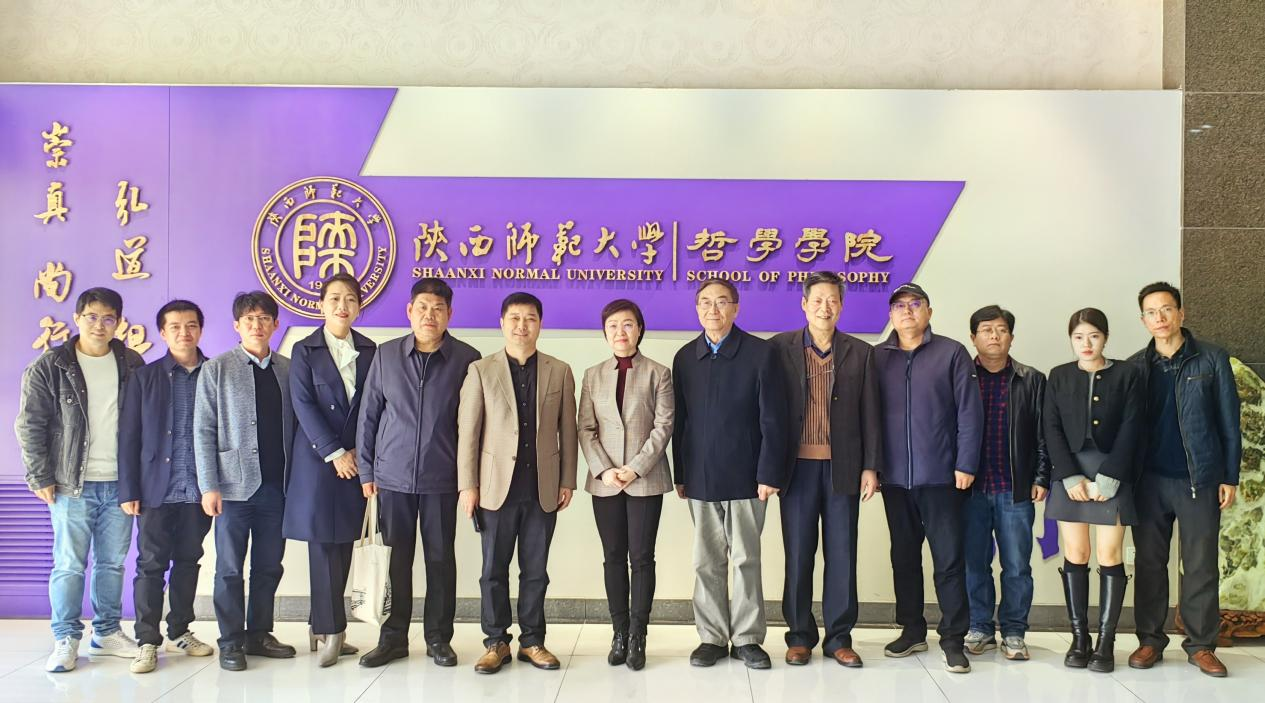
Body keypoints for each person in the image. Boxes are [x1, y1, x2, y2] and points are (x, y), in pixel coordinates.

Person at [16, 287, 145, 673]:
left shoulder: (131, 362)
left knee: (112, 563)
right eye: (91, 316)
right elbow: (30, 424)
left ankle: (106, 632)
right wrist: (40, 474)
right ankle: (66, 637)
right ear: (77, 318)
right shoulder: (51, 365)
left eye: (108, 318)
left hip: (119, 483)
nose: (99, 325)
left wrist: (138, 481)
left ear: (118, 322)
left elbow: (143, 425)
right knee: (70, 564)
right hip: (71, 483)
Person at [357, 278, 480, 669]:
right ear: (410, 311)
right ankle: (392, 639)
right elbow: (369, 415)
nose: (430, 315)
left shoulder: (467, 359)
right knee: (396, 561)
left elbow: (473, 425)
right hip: (392, 478)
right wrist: (366, 469)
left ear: (450, 314)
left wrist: (470, 480)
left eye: (438, 308)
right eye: (423, 307)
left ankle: (438, 639)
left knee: (441, 561)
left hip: (442, 479)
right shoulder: (386, 355)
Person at [458, 292, 578, 674]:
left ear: (540, 324)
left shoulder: (560, 370)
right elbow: (468, 432)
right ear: (502, 323)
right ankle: (495, 642)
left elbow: (568, 431)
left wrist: (568, 480)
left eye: (530, 318)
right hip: (495, 488)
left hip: (542, 487)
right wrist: (468, 485)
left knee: (536, 571)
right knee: (493, 570)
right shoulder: (481, 370)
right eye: (514, 318)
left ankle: (532, 641)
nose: (522, 325)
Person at [673, 278, 787, 670]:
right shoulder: (685, 357)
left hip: (748, 477)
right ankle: (711, 637)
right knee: (706, 562)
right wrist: (681, 473)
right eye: (705, 302)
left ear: (736, 308)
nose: (713, 309)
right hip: (701, 477)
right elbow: (681, 422)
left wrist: (769, 472)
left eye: (722, 302)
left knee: (745, 559)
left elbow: (774, 419)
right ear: (697, 309)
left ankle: (748, 638)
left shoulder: (760, 353)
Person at [1127, 282, 1241, 678]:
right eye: (1151, 312)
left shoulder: (1211, 359)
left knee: (1200, 565)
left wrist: (1229, 475)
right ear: (1143, 320)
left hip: (1199, 478)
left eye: (1166, 309)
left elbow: (1229, 422)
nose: (1159, 318)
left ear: (1181, 313)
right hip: (1148, 482)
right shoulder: (1135, 367)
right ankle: (1149, 639)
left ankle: (1201, 645)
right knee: (1149, 564)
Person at [769, 272, 881, 668]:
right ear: (804, 304)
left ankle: (839, 638)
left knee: (842, 554)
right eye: (817, 300)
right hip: (795, 470)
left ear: (841, 305)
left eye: (832, 300)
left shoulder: (860, 352)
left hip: (843, 468)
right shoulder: (778, 348)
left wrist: (871, 467)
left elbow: (871, 413)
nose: (824, 307)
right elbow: (767, 412)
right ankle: (799, 636)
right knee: (799, 554)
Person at [873, 283, 982, 675]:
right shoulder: (877, 357)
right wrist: (872, 466)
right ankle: (912, 629)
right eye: (899, 306)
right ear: (890, 314)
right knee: (903, 557)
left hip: (942, 478)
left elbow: (969, 412)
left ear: (929, 312)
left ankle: (953, 638)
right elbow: (868, 416)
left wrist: (965, 464)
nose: (907, 311)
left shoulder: (951, 353)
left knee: (948, 560)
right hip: (894, 479)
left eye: (915, 304)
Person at [194, 291, 296, 671]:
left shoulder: (288, 370)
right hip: (233, 488)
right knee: (230, 568)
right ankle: (231, 641)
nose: (257, 325)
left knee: (269, 566)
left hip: (277, 488)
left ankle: (259, 634)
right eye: (249, 319)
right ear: (237, 325)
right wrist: (209, 485)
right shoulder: (217, 369)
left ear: (275, 324)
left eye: (264, 318)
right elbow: (203, 429)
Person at [283, 274, 377, 667]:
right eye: (335, 298)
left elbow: (373, 405)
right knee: (323, 546)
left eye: (350, 299)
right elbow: (303, 404)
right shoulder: (304, 350)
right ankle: (333, 630)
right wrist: (335, 452)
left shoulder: (370, 349)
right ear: (321, 304)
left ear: (359, 307)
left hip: (355, 461)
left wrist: (357, 451)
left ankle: (320, 625)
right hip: (319, 462)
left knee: (344, 543)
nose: (342, 305)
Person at [118, 300, 215, 673]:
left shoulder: (214, 373)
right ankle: (147, 640)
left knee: (189, 561)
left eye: (191, 325)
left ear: (200, 330)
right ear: (162, 332)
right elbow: (129, 436)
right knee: (151, 565)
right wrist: (129, 489)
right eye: (175, 326)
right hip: (155, 489)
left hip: (199, 490)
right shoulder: (145, 377)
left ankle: (180, 631)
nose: (183, 333)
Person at [1044, 308, 1143, 673]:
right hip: (1071, 473)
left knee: (1109, 553)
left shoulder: (1128, 374)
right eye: (1078, 337)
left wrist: (1111, 476)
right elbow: (1051, 428)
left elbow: (1133, 427)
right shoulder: (1059, 375)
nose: (1086, 344)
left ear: (1105, 337)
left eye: (1094, 336)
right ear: (1071, 339)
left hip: (1111, 472)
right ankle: (1079, 638)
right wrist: (1070, 477)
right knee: (1076, 551)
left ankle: (1105, 641)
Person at [578, 299, 674, 671]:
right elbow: (586, 428)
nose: (621, 332)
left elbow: (663, 427)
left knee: (642, 558)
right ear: (605, 333)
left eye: (628, 324)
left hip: (645, 480)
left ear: (640, 329)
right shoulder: (592, 375)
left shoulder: (658, 373)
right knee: (613, 557)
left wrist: (634, 469)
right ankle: (618, 632)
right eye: (613, 326)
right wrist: (604, 470)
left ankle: (638, 634)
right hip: (604, 483)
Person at [962, 305, 1051, 661]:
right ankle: (980, 626)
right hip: (969, 491)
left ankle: (1014, 631)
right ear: (973, 338)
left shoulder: (1032, 379)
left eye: (1001, 330)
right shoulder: (962, 377)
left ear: (1011, 337)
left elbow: (1044, 434)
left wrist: (1041, 476)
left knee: (1017, 566)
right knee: (974, 563)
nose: (994, 336)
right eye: (986, 330)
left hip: (1015, 489)